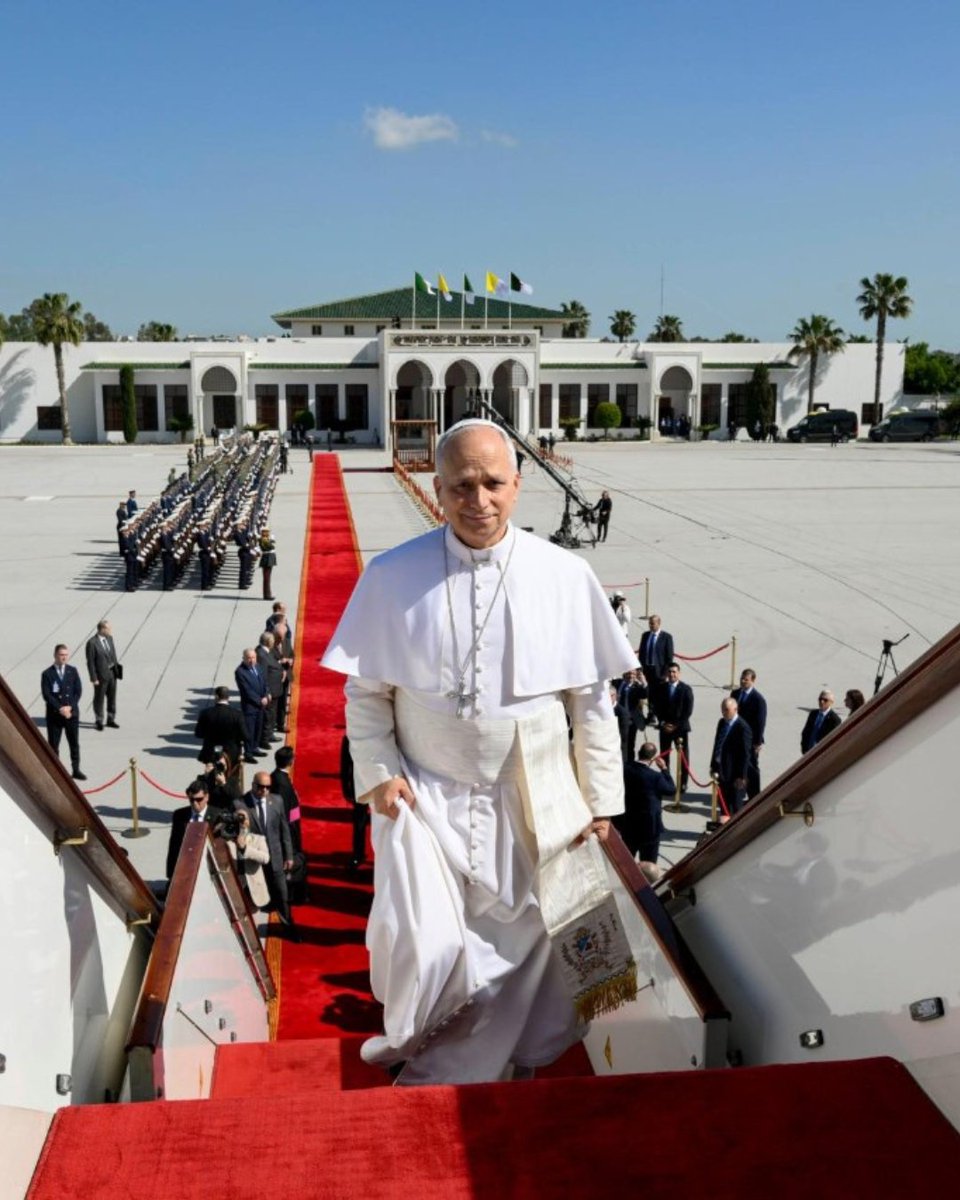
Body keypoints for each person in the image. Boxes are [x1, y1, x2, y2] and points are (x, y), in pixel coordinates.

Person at [322, 418, 637, 1087]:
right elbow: (367, 696)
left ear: (518, 485)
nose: (479, 498)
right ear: (437, 490)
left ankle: (504, 1078)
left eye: (493, 482)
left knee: (530, 958)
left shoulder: (565, 575)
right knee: (433, 950)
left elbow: (592, 705)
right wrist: (380, 776)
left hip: (535, 806)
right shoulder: (391, 576)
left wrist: (602, 801)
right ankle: (442, 1074)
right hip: (428, 803)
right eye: (462, 484)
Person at [234, 772, 295, 928]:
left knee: (282, 894)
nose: (265, 791)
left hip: (275, 857)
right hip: (255, 859)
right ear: (253, 785)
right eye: (261, 787)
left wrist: (289, 855)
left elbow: (284, 829)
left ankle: (287, 924)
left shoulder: (277, 801)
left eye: (268, 787)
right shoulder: (240, 804)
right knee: (256, 894)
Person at [615, 742, 675, 866]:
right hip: (649, 827)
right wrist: (664, 769)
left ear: (639, 753)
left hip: (628, 823)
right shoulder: (655, 777)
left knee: (626, 861)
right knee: (648, 864)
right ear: (653, 758)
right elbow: (671, 789)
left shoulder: (624, 769)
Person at [40, 645, 86, 780]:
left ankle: (76, 769)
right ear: (55, 655)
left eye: (66, 654)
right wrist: (60, 708)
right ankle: (56, 772)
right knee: (54, 744)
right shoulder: (47, 674)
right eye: (61, 654)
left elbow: (78, 691)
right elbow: (47, 695)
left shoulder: (73, 671)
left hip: (71, 714)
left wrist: (70, 707)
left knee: (74, 743)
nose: (64, 657)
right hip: (55, 715)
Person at [166, 778, 223, 880]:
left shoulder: (217, 816)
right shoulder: (180, 815)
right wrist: (171, 873)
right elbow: (174, 844)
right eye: (192, 800)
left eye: (199, 799)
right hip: (186, 866)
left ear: (207, 797)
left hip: (208, 868)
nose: (195, 803)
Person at [651, 662, 693, 791]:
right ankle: (666, 781)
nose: (672, 674)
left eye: (674, 672)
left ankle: (683, 783)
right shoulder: (661, 688)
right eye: (670, 672)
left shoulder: (686, 689)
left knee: (683, 757)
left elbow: (688, 711)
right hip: (665, 728)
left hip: (680, 729)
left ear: (678, 673)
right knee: (664, 756)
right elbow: (656, 707)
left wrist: (675, 725)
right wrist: (663, 723)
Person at [710, 698, 753, 816]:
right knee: (723, 804)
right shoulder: (722, 723)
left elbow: (745, 755)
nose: (724, 712)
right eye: (722, 709)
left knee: (735, 807)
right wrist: (713, 764)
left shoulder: (743, 728)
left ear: (736, 709)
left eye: (727, 710)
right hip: (721, 770)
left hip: (734, 776)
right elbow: (717, 744)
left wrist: (742, 776)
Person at [731, 668, 766, 798]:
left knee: (751, 767)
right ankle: (739, 791)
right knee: (737, 765)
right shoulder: (735, 694)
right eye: (742, 679)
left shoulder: (758, 700)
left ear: (753, 681)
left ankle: (754, 795)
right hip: (735, 738)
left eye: (746, 679)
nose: (743, 681)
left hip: (750, 741)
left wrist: (757, 742)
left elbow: (760, 723)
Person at [194, 685, 248, 766]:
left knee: (209, 775)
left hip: (210, 753)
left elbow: (198, 733)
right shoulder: (237, 714)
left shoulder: (206, 713)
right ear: (228, 697)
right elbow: (245, 736)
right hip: (231, 754)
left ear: (216, 696)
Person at [85, 619, 121, 732]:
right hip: (100, 676)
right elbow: (90, 662)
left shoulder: (110, 639)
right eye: (108, 628)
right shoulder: (92, 643)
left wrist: (117, 671)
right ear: (102, 629)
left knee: (112, 697)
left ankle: (111, 719)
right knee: (99, 698)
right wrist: (93, 678)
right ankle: (99, 720)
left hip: (112, 674)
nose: (111, 630)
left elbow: (113, 654)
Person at [637, 615, 674, 721]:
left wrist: (666, 673)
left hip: (659, 671)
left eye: (653, 623)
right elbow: (641, 653)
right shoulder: (645, 635)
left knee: (659, 695)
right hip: (647, 670)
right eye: (649, 623)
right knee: (649, 693)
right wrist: (640, 669)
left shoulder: (666, 637)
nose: (651, 626)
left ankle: (661, 717)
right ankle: (651, 714)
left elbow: (669, 657)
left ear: (659, 623)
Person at [235, 648, 269, 763]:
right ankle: (248, 753)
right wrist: (260, 700)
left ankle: (255, 748)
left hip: (261, 704)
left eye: (253, 657)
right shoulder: (240, 672)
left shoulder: (258, 667)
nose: (251, 660)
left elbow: (264, 682)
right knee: (250, 730)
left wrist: (266, 694)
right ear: (244, 658)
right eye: (249, 658)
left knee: (258, 727)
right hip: (250, 706)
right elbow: (246, 691)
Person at [259, 528, 277, 600]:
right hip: (267, 559)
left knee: (268, 578)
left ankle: (268, 594)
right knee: (267, 579)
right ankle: (267, 595)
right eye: (267, 532)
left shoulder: (266, 539)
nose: (268, 533)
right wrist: (271, 541)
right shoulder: (264, 539)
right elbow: (271, 547)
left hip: (269, 558)